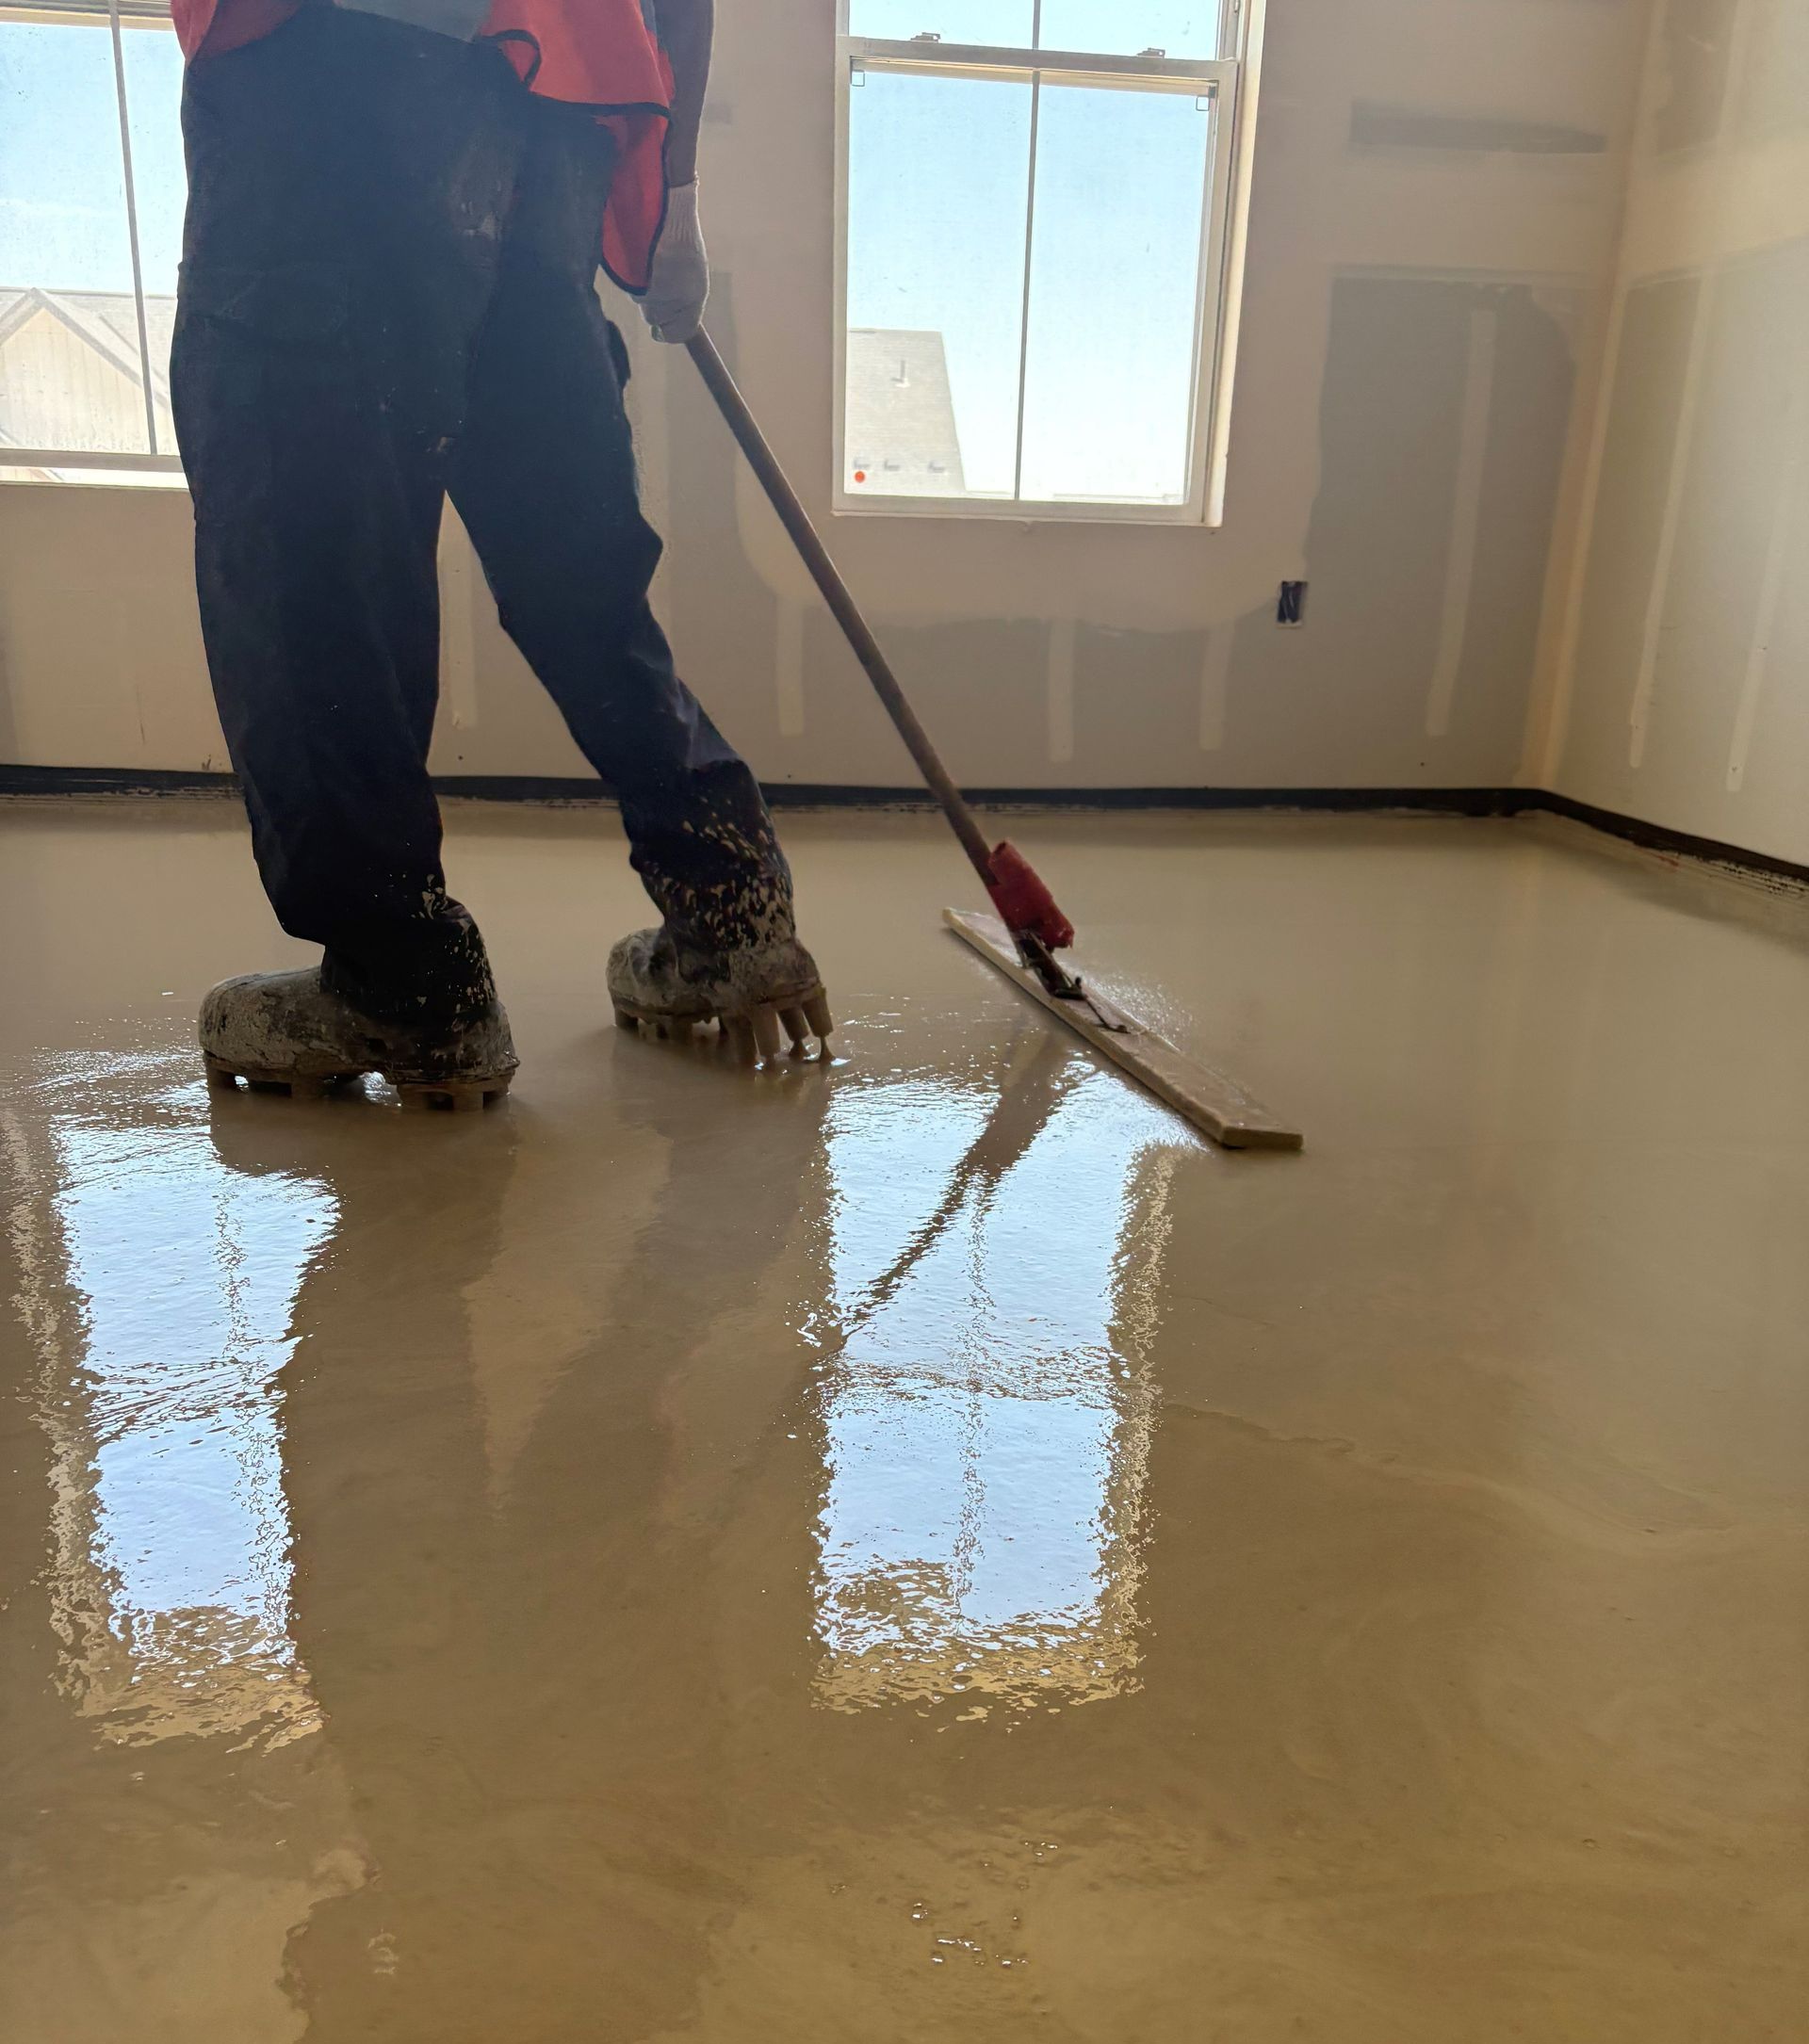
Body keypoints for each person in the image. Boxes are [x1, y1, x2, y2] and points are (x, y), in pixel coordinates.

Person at [170, 0, 830, 1109]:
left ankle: (402, 980)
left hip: (332, 76)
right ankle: (731, 903)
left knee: (308, 544)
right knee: (570, 547)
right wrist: (671, 191)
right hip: (555, 98)